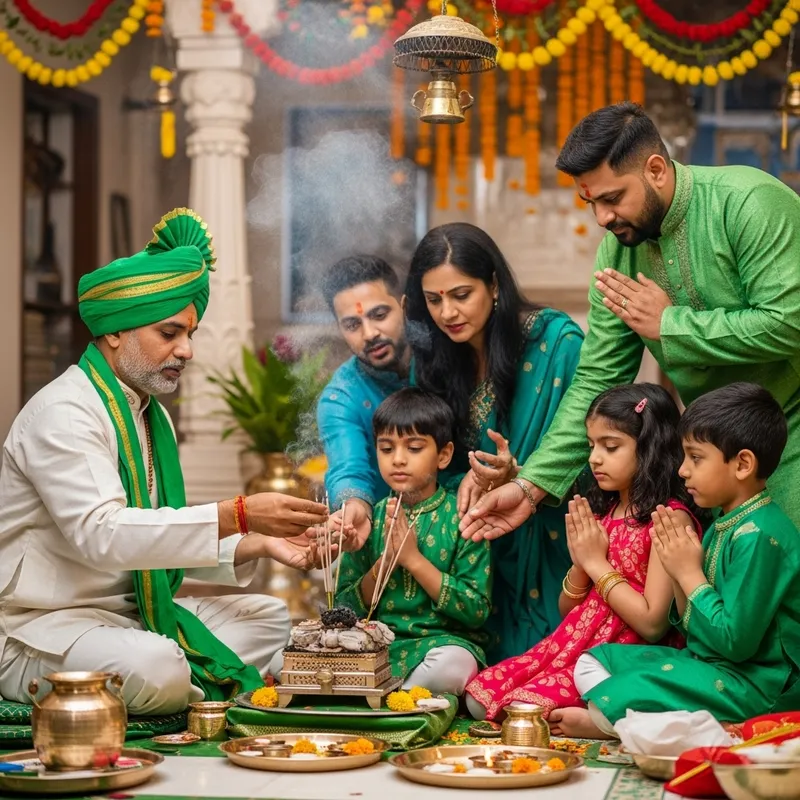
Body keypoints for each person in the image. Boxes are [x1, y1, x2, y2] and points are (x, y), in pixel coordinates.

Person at [0, 208, 329, 715]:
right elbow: (105, 535)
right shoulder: (64, 412)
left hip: (135, 615)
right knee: (159, 666)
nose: (187, 350)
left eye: (190, 334)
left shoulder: (148, 414)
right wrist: (236, 514)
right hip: (45, 627)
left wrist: (259, 544)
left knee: (269, 617)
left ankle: (181, 686)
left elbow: (151, 537)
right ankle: (186, 685)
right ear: (115, 332)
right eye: (170, 333)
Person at [461, 101, 800, 545]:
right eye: (591, 202)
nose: (602, 217)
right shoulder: (618, 252)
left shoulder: (747, 203)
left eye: (613, 198)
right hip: (711, 458)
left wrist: (672, 326)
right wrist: (530, 486)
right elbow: (597, 379)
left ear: (656, 169)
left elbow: (788, 321)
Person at [561, 383, 800, 739]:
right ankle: (667, 725)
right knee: (595, 662)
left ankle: (624, 725)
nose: (683, 470)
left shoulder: (759, 535)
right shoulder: (723, 524)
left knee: (605, 700)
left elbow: (736, 643)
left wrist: (688, 573)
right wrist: (677, 569)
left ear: (743, 464)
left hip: (757, 683)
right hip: (710, 666)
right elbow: (695, 631)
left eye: (695, 458)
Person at [404, 222, 585, 661]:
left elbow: (594, 452)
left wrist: (520, 476)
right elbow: (426, 458)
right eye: (434, 300)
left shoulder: (556, 344)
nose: (447, 313)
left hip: (548, 539)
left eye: (461, 295)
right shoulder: (432, 358)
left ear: (495, 285)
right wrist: (472, 480)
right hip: (468, 549)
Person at [466, 384, 698, 723]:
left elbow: (652, 623)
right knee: (476, 697)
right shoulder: (607, 512)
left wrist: (594, 562)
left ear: (650, 447)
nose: (594, 458)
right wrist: (580, 564)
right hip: (571, 646)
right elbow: (569, 610)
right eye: (591, 445)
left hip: (622, 656)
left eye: (610, 446)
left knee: (519, 712)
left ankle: (602, 716)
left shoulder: (668, 517)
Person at [336, 388, 491, 694]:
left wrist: (412, 559)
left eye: (414, 448)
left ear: (443, 455)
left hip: (440, 647)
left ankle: (372, 691)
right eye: (386, 448)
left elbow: (476, 610)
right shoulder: (371, 519)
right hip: (375, 647)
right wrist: (385, 563)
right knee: (283, 659)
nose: (398, 460)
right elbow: (343, 607)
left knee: (454, 667)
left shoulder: (463, 517)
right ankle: (389, 691)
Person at [317, 256, 409, 544]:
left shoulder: (443, 364)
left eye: (379, 315)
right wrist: (355, 505)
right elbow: (348, 467)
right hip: (382, 548)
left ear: (404, 307)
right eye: (352, 324)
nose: (370, 333)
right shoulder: (340, 398)